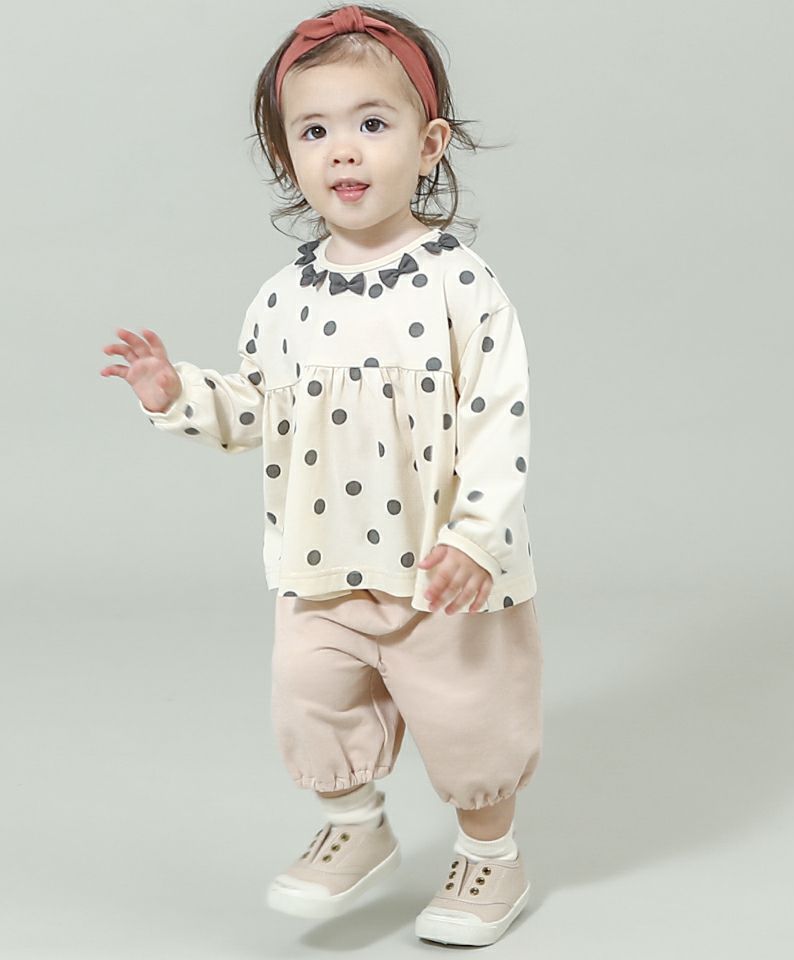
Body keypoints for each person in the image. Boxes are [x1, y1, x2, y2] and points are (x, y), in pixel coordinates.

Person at [100, 3, 543, 948]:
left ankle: (490, 856)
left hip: (441, 570)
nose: (343, 149)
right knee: (308, 693)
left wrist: (476, 537)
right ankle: (356, 826)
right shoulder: (283, 297)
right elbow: (260, 410)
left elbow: (498, 417)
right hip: (323, 561)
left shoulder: (461, 284)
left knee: (469, 722)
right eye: (313, 130)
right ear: (286, 156)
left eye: (371, 123)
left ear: (428, 146)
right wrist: (178, 394)